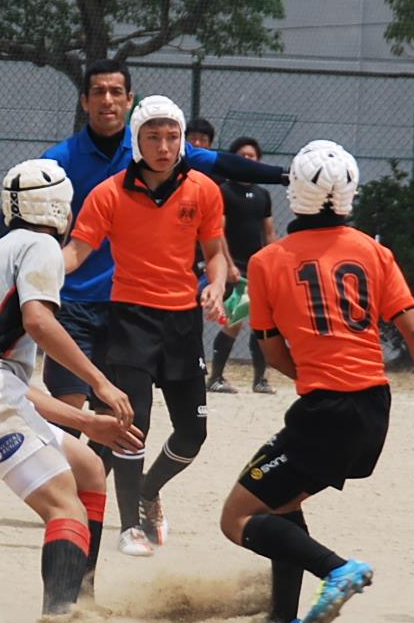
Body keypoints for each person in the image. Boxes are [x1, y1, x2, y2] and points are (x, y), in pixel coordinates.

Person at [220, 141, 414, 623]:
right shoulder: (373, 251)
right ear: (350, 195)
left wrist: (316, 373)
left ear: (292, 192)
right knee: (280, 503)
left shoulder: (267, 261)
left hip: (324, 410)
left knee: (237, 518)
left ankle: (338, 569)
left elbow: (274, 356)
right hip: (373, 408)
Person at [0, 159, 145, 614]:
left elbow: (2, 376)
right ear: (59, 207)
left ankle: (80, 598)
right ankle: (61, 619)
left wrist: (86, 420)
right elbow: (39, 321)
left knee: (87, 468)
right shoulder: (42, 246)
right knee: (64, 506)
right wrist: (100, 383)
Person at [40, 59, 285, 412]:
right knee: (69, 408)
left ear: (129, 101)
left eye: (116, 92)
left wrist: (284, 176)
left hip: (126, 309)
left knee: (118, 420)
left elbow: (224, 163)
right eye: (98, 92)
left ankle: (99, 468)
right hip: (76, 302)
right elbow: (24, 221)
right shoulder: (58, 160)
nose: (107, 99)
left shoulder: (155, 147)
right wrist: (15, 268)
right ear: (84, 101)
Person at [61, 96, 230, 557]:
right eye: (153, 136)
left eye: (172, 136)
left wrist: (214, 287)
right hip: (130, 320)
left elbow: (215, 253)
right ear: (137, 141)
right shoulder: (109, 192)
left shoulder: (203, 190)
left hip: (183, 325)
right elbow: (77, 251)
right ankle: (128, 527)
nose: (164, 145)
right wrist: (41, 271)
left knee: (193, 435)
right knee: (132, 423)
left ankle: (148, 490)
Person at [208, 136, 278, 394]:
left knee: (262, 322)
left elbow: (269, 233)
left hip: (257, 266)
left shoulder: (263, 194)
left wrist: (273, 262)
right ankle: (215, 377)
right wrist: (228, 265)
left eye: (252, 156)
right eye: (242, 156)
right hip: (234, 266)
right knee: (234, 320)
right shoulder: (224, 191)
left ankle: (260, 380)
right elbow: (218, 232)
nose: (248, 160)